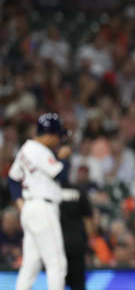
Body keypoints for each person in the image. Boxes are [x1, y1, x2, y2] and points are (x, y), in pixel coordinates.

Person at [8, 113, 70, 290]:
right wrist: (64, 157)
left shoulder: (25, 149)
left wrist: (20, 203)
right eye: (58, 135)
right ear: (50, 135)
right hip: (43, 208)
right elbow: (62, 175)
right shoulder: (39, 150)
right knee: (57, 264)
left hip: (30, 208)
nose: (59, 140)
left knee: (30, 266)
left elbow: (13, 180)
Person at [60, 177, 94, 290]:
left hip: (57, 243)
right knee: (78, 284)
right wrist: (90, 241)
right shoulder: (79, 190)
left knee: (57, 282)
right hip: (77, 242)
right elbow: (88, 219)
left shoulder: (50, 190)